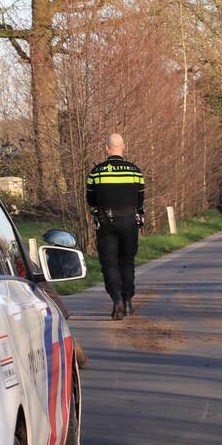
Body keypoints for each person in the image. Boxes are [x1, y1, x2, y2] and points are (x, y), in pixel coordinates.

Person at [86, 133, 145, 320]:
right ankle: (127, 302)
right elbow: (140, 200)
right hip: (129, 221)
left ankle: (116, 298)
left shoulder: (96, 172)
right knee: (127, 261)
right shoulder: (135, 171)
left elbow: (91, 200)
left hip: (106, 222)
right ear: (124, 147)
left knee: (109, 262)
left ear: (106, 148)